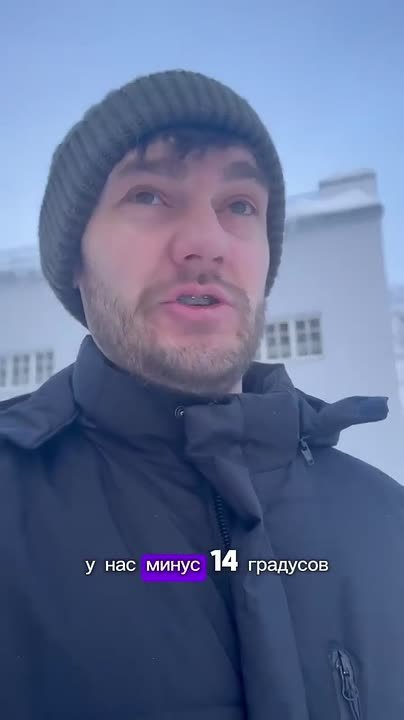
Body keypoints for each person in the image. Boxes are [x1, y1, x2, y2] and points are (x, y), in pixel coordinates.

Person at [0, 69, 403, 720]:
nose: (208, 243)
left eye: (239, 205)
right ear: (75, 258)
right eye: (150, 195)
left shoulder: (387, 520)